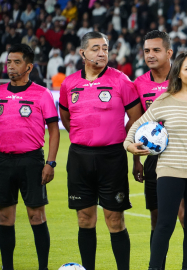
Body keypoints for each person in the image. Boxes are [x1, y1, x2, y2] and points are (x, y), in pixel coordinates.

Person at [125, 51, 187, 270]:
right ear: (178, 73)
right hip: (169, 170)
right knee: (165, 225)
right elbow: (136, 127)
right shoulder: (164, 101)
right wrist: (130, 146)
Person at [59, 31, 142, 270]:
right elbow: (66, 119)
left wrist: (124, 145)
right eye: (96, 48)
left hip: (112, 157)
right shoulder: (69, 83)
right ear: (82, 53)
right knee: (85, 219)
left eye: (105, 48)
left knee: (114, 219)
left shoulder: (121, 80)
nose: (102, 52)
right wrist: (86, 135)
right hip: (79, 158)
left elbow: (136, 120)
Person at [0, 44, 60, 270]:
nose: (11, 66)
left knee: (36, 216)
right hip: (3, 161)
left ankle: (43, 267)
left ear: (29, 67)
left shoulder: (42, 93)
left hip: (32, 161)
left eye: (16, 62)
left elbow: (54, 130)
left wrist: (50, 163)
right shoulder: (0, 92)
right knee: (5, 219)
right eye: (8, 62)